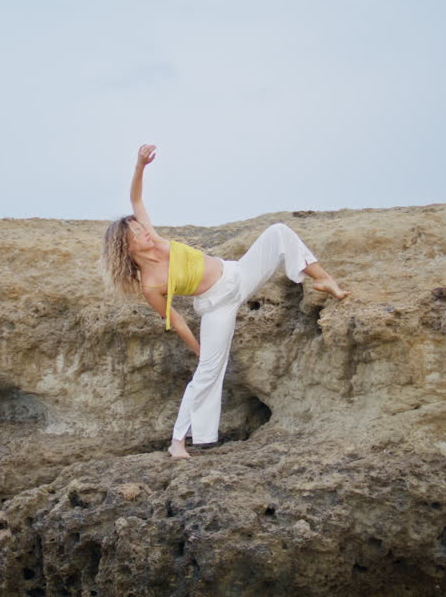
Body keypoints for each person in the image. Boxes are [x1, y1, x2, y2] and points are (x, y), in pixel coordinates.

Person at [102, 144, 349, 459]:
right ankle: (178, 441)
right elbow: (175, 321)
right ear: (126, 245)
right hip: (218, 306)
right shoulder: (150, 284)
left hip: (238, 275)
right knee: (207, 371)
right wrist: (199, 350)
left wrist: (140, 165)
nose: (143, 231)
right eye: (136, 232)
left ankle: (323, 278)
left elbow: (136, 199)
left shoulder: (158, 240)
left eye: (140, 226)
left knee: (278, 231)